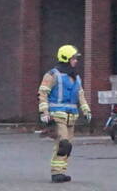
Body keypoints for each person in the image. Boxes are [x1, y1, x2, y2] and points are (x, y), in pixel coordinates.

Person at [37, 45, 91, 183]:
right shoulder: (52, 75)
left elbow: (80, 95)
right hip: (57, 116)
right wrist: (44, 112)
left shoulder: (75, 77)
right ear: (66, 58)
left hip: (71, 117)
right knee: (63, 144)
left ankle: (61, 171)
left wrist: (86, 110)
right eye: (74, 58)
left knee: (68, 146)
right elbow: (43, 93)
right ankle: (56, 173)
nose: (76, 61)